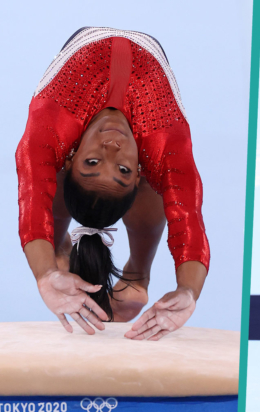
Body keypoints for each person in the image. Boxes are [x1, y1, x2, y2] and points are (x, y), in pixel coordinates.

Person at [17, 27, 209, 341]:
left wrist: (46, 273)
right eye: (121, 169)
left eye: (93, 163)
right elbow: (190, 223)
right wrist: (188, 291)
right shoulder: (166, 141)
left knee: (49, 169)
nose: (111, 149)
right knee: (161, 177)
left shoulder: (51, 119)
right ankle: (136, 277)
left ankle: (60, 252)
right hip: (148, 67)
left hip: (85, 45)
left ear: (76, 157)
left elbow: (33, 202)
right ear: (136, 172)